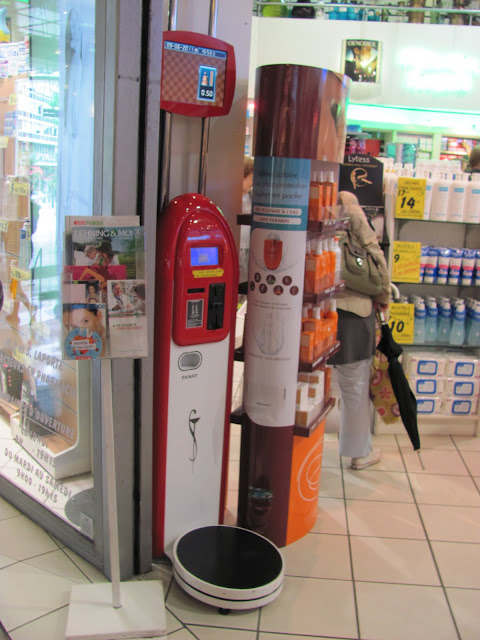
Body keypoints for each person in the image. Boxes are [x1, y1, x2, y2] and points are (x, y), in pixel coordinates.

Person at [328, 190, 390, 470]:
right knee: (354, 387)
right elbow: (376, 260)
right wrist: (384, 297)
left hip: (316, 313)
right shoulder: (348, 204)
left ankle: (302, 446)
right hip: (353, 315)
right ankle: (358, 454)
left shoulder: (308, 203)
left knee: (308, 384)